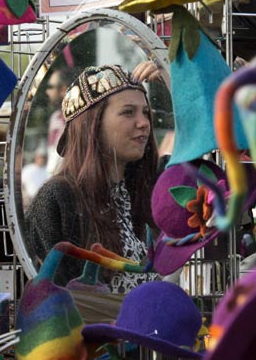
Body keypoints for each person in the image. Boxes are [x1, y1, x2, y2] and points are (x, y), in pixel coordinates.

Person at [24, 62, 168, 295]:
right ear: (93, 124)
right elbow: (54, 302)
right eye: (128, 112)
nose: (143, 123)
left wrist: (171, 79)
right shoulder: (57, 198)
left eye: (146, 113)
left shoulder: (151, 187)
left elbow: (201, 153)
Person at [44, 64, 73, 175]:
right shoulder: (55, 117)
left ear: (63, 90)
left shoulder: (78, 120)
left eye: (51, 86)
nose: (47, 92)